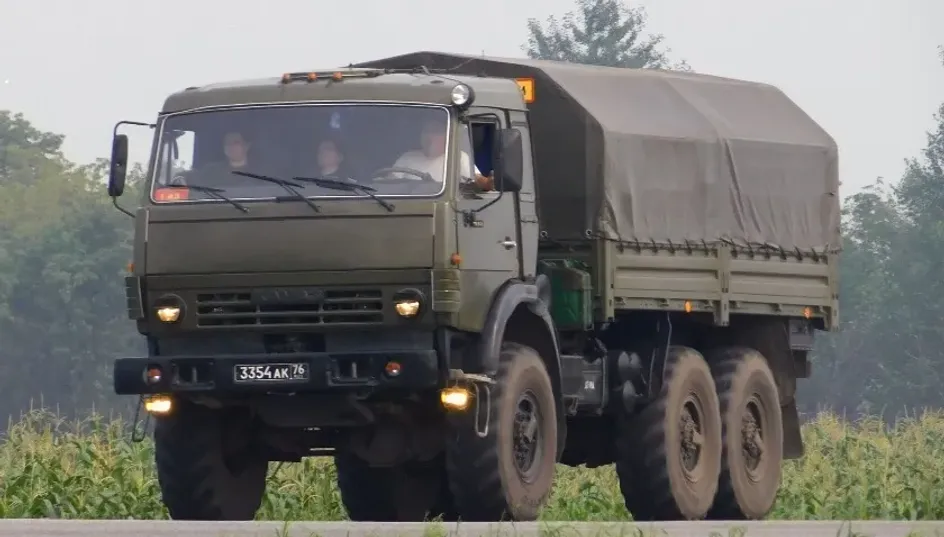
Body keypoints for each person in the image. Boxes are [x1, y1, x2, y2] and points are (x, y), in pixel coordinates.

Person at [389, 120, 492, 190]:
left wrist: (487, 183)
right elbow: (390, 183)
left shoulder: (458, 157)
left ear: (446, 136)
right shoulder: (408, 157)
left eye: (435, 132)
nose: (429, 136)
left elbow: (475, 179)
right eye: (426, 131)